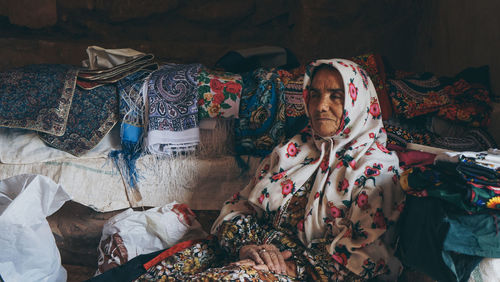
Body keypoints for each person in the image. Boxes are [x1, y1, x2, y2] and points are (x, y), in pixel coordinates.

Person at [135, 59, 406, 281]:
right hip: (251, 253)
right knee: (161, 275)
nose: (321, 106)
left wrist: (291, 267)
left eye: (336, 96)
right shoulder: (292, 150)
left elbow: (367, 254)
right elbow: (237, 206)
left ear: (359, 103)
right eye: (314, 95)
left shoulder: (376, 169)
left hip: (306, 275)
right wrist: (247, 246)